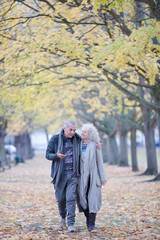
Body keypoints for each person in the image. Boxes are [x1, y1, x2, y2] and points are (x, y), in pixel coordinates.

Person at [46, 120, 81, 232]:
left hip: (73, 174)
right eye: (70, 129)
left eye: (74, 130)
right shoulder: (55, 139)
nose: (72, 132)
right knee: (61, 199)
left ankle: (71, 224)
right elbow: (47, 154)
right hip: (60, 175)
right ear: (64, 128)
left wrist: (97, 144)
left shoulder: (78, 139)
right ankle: (63, 217)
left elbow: (87, 144)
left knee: (71, 199)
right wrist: (56, 155)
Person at [78, 123, 106, 232]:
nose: (82, 133)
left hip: (93, 177)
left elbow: (100, 162)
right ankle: (88, 219)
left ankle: (91, 224)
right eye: (82, 131)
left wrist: (103, 178)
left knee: (93, 200)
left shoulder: (95, 145)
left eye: (85, 132)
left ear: (90, 134)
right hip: (81, 177)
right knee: (82, 200)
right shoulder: (78, 144)